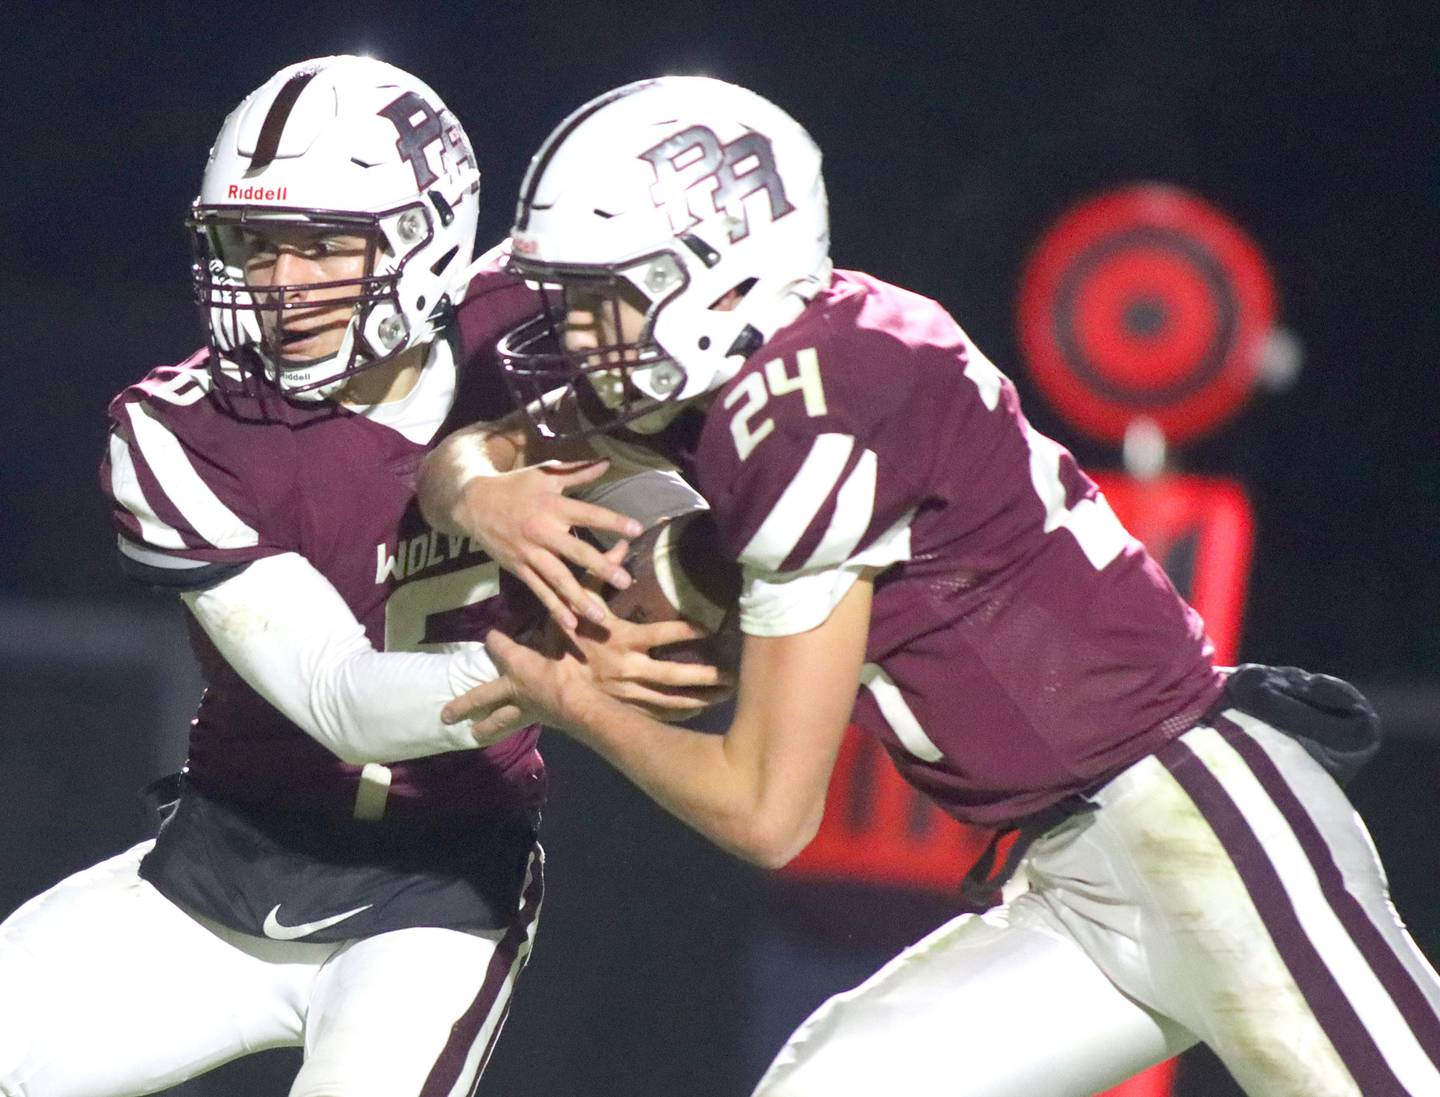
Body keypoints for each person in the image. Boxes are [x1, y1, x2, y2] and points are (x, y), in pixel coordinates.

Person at [419, 76, 1440, 1096]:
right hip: (1074, 876)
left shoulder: (813, 404)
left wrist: (574, 699)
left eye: (608, 296)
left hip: (1199, 824)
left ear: (723, 272)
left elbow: (765, 810)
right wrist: (480, 499)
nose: (582, 334)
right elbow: (474, 449)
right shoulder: (761, 364)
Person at [0, 56, 713, 1097]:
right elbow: (344, 701)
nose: (282, 286)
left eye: (324, 245)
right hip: (216, 874)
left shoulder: (540, 326)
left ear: (426, 236)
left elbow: (734, 438)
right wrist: (564, 667)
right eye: (255, 245)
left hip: (436, 897)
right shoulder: (182, 428)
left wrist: (699, 565)